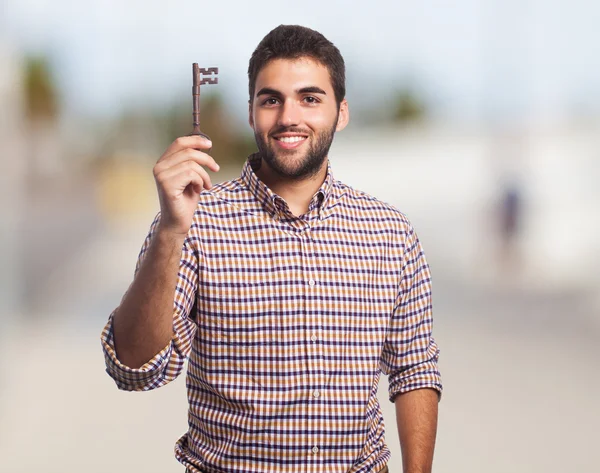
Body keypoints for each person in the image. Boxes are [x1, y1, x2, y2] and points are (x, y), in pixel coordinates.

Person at [101, 24, 442, 473]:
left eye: (310, 98)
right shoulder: (193, 222)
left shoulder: (389, 232)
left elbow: (415, 369)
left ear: (341, 112)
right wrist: (169, 230)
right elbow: (135, 369)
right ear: (250, 112)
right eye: (271, 99)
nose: (288, 117)